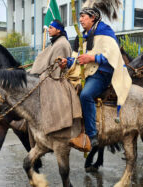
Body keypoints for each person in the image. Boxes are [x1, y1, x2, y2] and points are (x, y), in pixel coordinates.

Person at [60, 7, 132, 147]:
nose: (80, 20)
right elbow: (77, 58)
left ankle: (92, 135)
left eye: (83, 16)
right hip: (86, 72)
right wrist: (67, 62)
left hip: (102, 74)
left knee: (86, 95)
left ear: (92, 17)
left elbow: (113, 56)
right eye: (79, 17)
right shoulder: (82, 36)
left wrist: (92, 57)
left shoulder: (106, 32)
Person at [30, 20, 82, 136]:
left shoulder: (62, 44)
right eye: (48, 28)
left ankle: (52, 123)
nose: (48, 30)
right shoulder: (56, 42)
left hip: (58, 78)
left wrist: (42, 74)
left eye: (51, 28)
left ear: (58, 30)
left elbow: (56, 71)